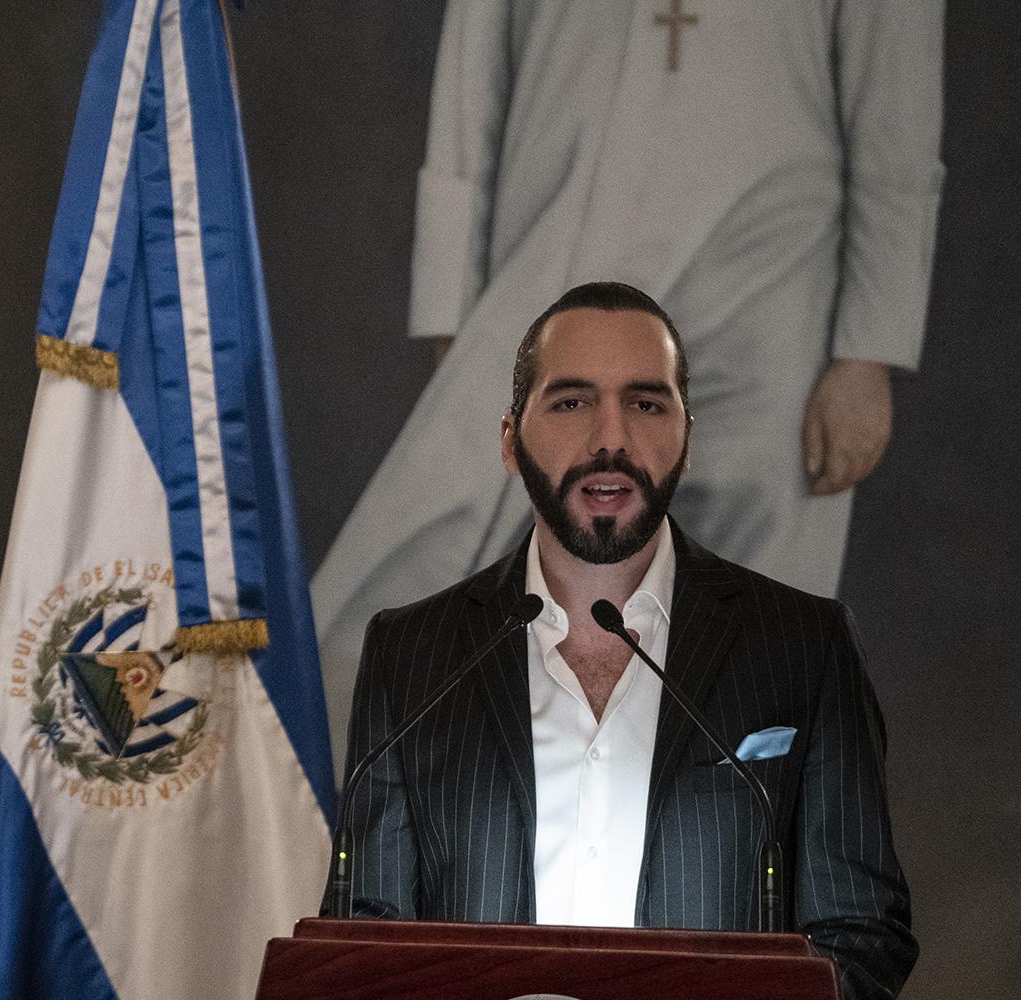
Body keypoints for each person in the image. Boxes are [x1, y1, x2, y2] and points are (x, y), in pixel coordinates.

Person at [323, 283, 916, 1000]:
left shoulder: (798, 645)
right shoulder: (414, 654)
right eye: (570, 402)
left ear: (685, 432)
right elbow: (367, 928)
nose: (609, 436)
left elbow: (860, 929)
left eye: (645, 403)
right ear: (510, 439)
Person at [312, 1, 943, 766]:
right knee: (436, 575)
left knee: (758, 607)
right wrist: (452, 299)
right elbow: (474, 67)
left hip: (773, 267)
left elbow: (894, 98)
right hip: (554, 239)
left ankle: (735, 860)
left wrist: (868, 349)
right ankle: (353, 824)